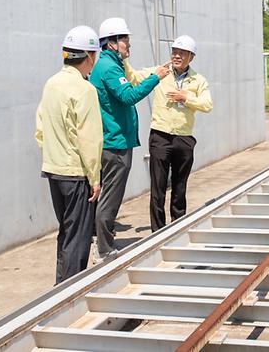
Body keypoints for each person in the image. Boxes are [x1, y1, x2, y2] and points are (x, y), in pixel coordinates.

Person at [89, 18, 170, 262]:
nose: (128, 44)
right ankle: (104, 250)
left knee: (105, 196)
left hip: (113, 140)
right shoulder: (110, 68)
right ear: (111, 42)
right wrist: (156, 78)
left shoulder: (109, 64)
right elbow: (129, 96)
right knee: (110, 198)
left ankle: (100, 242)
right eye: (125, 40)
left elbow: (130, 83)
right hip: (115, 143)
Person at [34, 25, 103, 284]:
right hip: (76, 173)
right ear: (88, 57)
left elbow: (40, 127)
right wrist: (94, 177)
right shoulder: (85, 90)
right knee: (79, 237)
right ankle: (69, 295)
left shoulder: (51, 84)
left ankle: (59, 286)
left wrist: (54, 153)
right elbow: (90, 138)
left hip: (53, 170)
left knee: (66, 232)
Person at [125, 35, 212, 232]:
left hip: (184, 139)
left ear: (191, 57)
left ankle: (178, 227)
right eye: (174, 52)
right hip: (160, 137)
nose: (177, 56)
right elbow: (133, 77)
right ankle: (157, 232)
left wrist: (186, 97)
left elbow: (207, 104)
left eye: (182, 53)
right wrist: (123, 58)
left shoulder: (198, 80)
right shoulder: (161, 72)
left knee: (180, 188)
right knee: (158, 188)